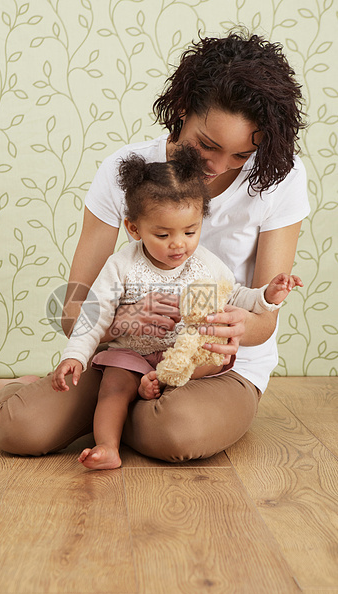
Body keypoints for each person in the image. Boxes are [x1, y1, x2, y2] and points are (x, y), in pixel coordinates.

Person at [0, 31, 310, 464]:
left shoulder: (280, 177)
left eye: (240, 156)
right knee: (20, 429)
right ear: (182, 109)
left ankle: (108, 418)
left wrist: (237, 326)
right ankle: (24, 393)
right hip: (125, 356)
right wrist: (122, 322)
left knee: (175, 432)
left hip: (214, 368)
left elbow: (264, 317)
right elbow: (72, 307)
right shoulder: (126, 171)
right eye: (207, 144)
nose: (218, 166)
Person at [51, 146, 302, 470]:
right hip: (132, 351)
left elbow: (237, 296)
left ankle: (161, 381)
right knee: (113, 388)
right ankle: (107, 446)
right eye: (163, 234)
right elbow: (93, 315)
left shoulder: (205, 264)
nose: (178, 244)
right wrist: (74, 356)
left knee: (214, 358)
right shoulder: (121, 265)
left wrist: (268, 295)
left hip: (182, 355)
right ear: (135, 228)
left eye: (190, 231)